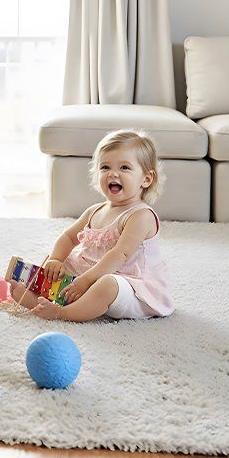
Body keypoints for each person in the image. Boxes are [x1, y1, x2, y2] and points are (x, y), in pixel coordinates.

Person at [20, 130, 174, 321]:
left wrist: (85, 281)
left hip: (132, 288)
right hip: (91, 275)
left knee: (107, 284)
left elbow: (120, 254)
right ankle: (41, 301)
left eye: (124, 167)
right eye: (105, 167)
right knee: (60, 267)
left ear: (146, 179)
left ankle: (62, 313)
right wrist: (56, 260)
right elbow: (68, 237)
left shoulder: (141, 216)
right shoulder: (94, 211)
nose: (113, 174)